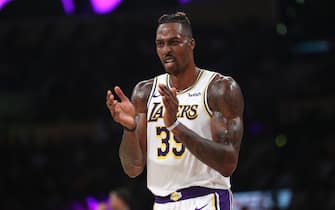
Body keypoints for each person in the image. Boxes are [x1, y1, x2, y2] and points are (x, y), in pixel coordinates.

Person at [106, 12, 244, 210]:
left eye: (173, 42)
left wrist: (175, 126)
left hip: (206, 199)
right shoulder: (145, 92)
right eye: (160, 44)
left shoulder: (219, 89)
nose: (166, 50)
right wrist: (129, 129)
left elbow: (227, 164)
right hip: (162, 203)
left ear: (191, 43)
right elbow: (133, 169)